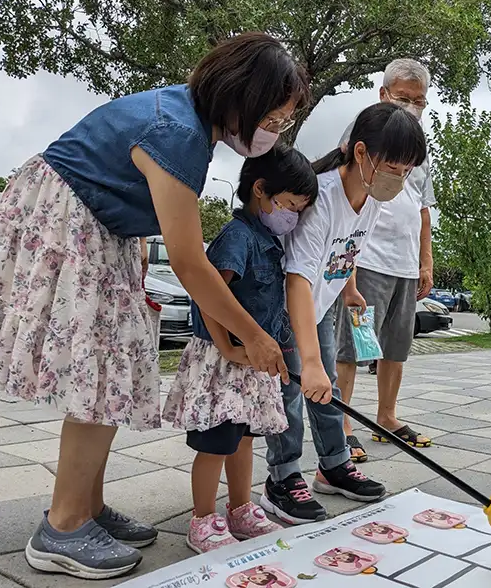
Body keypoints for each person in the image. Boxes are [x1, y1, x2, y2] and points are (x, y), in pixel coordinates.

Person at [0, 33, 307, 579]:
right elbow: (191, 263)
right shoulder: (178, 133)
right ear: (241, 98)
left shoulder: (187, 121)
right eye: (273, 116)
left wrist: (240, 335)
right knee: (98, 377)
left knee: (109, 372)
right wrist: (258, 337)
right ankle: (63, 525)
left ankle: (89, 506)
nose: (275, 129)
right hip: (73, 225)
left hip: (102, 231)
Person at [260, 102, 427, 524]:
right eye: (392, 166)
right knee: (294, 392)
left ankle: (333, 467)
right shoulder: (320, 197)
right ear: (360, 153)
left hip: (322, 303)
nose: (399, 178)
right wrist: (309, 360)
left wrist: (349, 289)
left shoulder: (371, 199)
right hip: (286, 311)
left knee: (328, 389)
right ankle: (281, 479)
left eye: (407, 171)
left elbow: (347, 249)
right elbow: (296, 279)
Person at [162, 146, 318, 553]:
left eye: (300, 210)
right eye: (289, 205)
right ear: (261, 191)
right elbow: (205, 293)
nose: (293, 217)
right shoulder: (238, 237)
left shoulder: (269, 239)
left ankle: (240, 507)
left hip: (254, 360)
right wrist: (226, 347)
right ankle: (202, 519)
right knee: (216, 441)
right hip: (223, 360)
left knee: (246, 437)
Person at [334, 59, 436, 461]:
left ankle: (387, 417)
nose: (412, 106)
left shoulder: (419, 145)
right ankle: (341, 423)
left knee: (397, 346)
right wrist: (349, 267)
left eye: (419, 101)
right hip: (368, 259)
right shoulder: (366, 130)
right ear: (383, 94)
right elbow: (345, 197)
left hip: (405, 265)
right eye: (403, 98)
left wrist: (425, 261)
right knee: (351, 347)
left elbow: (424, 207)